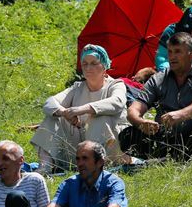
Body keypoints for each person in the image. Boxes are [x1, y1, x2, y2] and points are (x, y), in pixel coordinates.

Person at [121, 32, 192, 160]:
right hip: (166, 138)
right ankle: (162, 160)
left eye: (178, 52)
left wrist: (182, 114)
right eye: (170, 52)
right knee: (127, 136)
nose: (172, 56)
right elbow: (133, 109)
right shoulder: (158, 78)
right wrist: (141, 122)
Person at [31, 44, 129, 172]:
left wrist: (82, 109)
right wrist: (64, 112)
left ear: (104, 66)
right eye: (85, 64)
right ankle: (45, 167)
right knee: (53, 117)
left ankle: (98, 165)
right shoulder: (77, 87)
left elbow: (117, 102)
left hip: (113, 147)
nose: (88, 68)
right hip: (80, 144)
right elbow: (50, 102)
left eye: (94, 63)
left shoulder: (116, 85)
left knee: (99, 117)